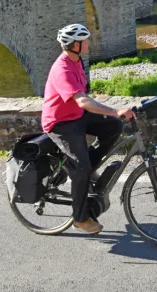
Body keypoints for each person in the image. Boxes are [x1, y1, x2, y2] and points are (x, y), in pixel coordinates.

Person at [42, 24, 136, 235]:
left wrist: (111, 116)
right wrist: (114, 110)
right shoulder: (62, 69)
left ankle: (85, 168)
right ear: (75, 45)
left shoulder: (78, 61)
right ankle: (80, 218)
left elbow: (84, 99)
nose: (88, 43)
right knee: (82, 167)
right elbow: (82, 100)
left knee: (114, 126)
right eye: (85, 40)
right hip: (60, 123)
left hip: (76, 115)